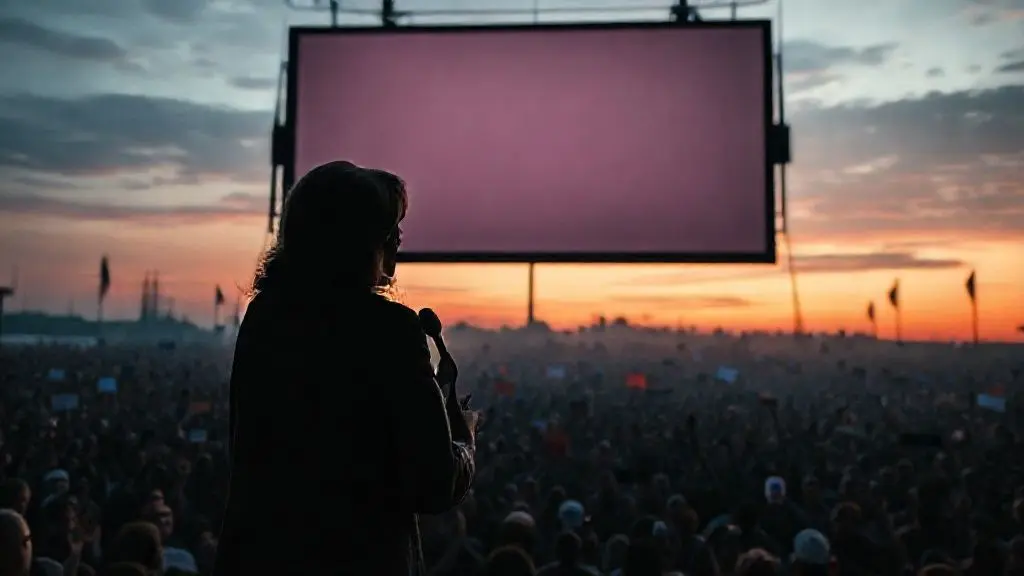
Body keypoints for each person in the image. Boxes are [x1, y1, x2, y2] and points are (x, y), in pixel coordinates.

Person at [215, 161, 477, 575]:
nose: (398, 240)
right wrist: (464, 439)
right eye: (390, 229)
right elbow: (434, 483)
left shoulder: (264, 317)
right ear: (361, 241)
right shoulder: (391, 329)